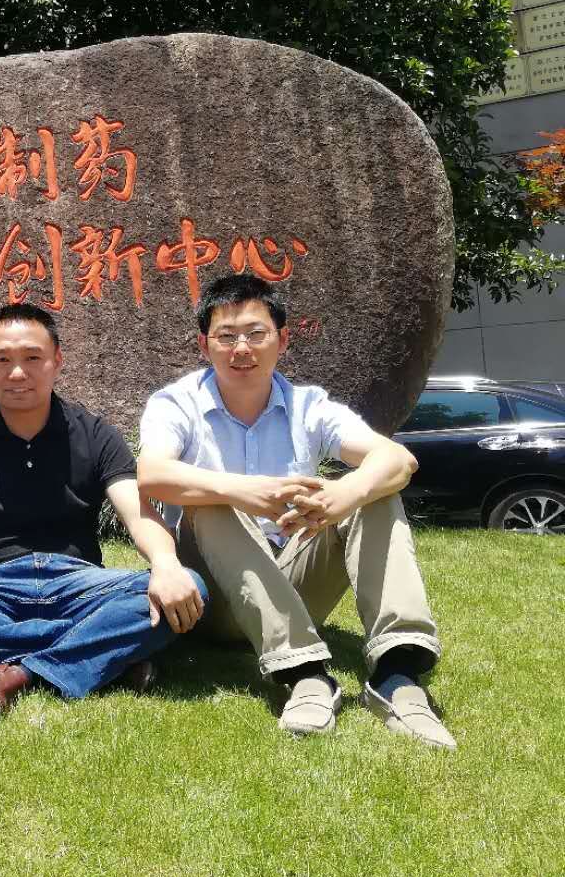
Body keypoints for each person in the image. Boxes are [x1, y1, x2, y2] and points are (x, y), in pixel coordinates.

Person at [137, 274, 453, 747]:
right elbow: (151, 473)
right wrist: (243, 491)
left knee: (374, 489)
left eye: (256, 333)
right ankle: (305, 674)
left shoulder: (310, 406)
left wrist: (342, 496)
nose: (241, 348)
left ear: (282, 340)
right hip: (214, 597)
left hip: (292, 575)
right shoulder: (175, 404)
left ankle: (397, 672)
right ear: (204, 345)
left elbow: (397, 459)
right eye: (226, 336)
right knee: (212, 503)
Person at [0, 302, 206, 720]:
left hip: (80, 587)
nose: (17, 373)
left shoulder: (95, 433)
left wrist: (166, 564)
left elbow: (137, 513)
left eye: (32, 358)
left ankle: (24, 671)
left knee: (189, 586)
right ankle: (104, 654)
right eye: (2, 360)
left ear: (57, 360)